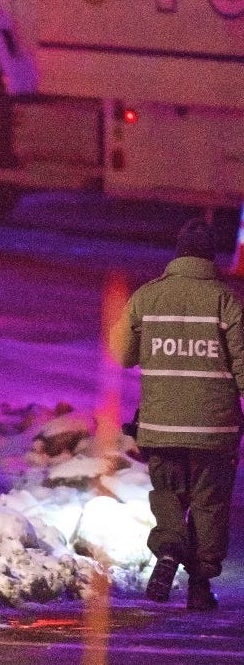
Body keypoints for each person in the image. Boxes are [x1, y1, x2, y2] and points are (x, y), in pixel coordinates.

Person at [109, 217, 244, 610]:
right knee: (209, 502)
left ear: (177, 254)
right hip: (215, 429)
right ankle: (200, 586)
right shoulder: (226, 300)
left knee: (168, 493)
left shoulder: (147, 297)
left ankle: (168, 547)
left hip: (161, 424)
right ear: (210, 257)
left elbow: (120, 353)